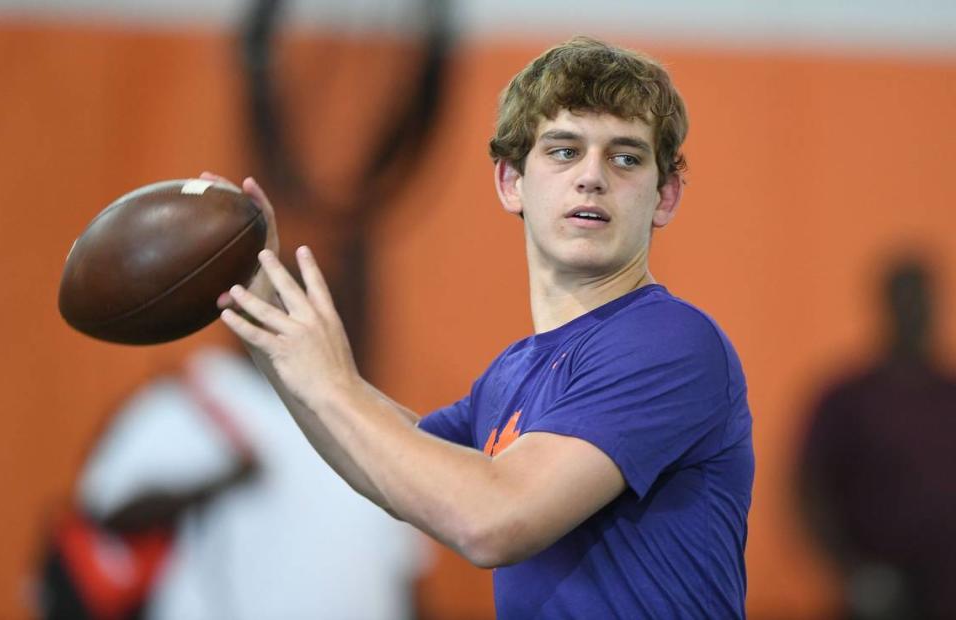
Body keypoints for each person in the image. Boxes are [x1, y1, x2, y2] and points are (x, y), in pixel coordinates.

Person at [211, 35, 754, 618]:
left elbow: (493, 519)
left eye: (625, 157)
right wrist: (274, 343)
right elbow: (396, 465)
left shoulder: (672, 343)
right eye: (564, 150)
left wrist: (332, 384)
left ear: (665, 195)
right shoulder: (513, 371)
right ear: (510, 182)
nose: (592, 176)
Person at [45, 346, 424, 620]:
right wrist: (218, 481)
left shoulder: (365, 422)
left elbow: (405, 577)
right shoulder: (188, 401)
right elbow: (105, 516)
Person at [799, 258, 956, 619]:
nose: (915, 311)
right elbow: (810, 491)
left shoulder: (950, 395)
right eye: (906, 300)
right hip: (879, 595)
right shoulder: (847, 400)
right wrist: (852, 570)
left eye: (922, 300)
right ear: (887, 305)